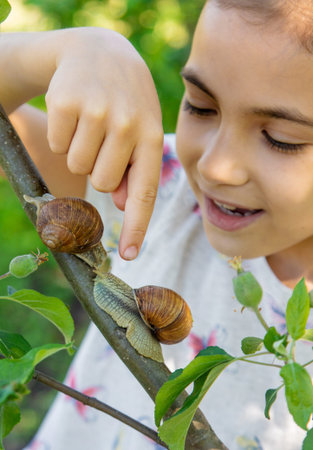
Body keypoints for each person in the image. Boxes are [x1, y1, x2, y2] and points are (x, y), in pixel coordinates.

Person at [2, 0, 313, 448]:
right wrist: (66, 49)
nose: (217, 167)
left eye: (281, 140)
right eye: (201, 107)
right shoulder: (155, 188)